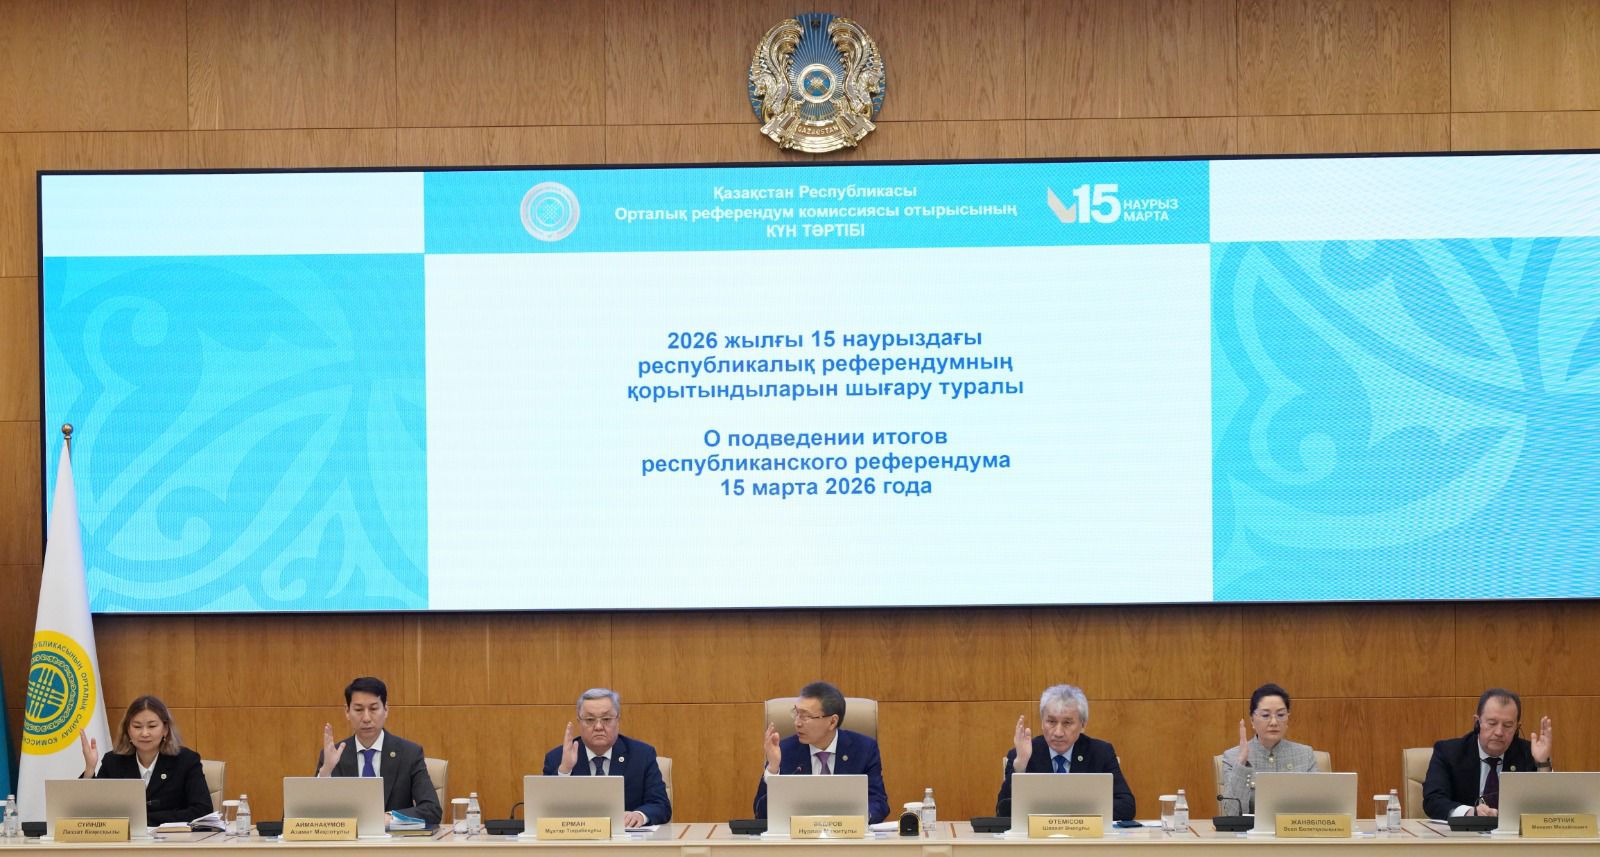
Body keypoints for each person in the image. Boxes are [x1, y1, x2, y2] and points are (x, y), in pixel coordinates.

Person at [753, 681, 888, 824]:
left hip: (848, 834)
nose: (797, 723)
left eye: (805, 716)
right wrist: (773, 768)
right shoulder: (784, 751)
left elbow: (878, 802)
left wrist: (858, 819)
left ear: (832, 722)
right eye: (797, 713)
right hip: (798, 836)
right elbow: (761, 814)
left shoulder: (864, 749)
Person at [996, 684, 1135, 820]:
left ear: (1083, 725)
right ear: (1042, 722)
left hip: (1085, 834)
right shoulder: (1022, 754)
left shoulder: (1100, 753)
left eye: (1067, 723)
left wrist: (1069, 815)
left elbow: (1127, 806)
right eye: (1051, 722)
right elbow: (1003, 813)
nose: (1058, 733)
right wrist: (1020, 768)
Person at [314, 676, 441, 824]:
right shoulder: (333, 756)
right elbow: (310, 815)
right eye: (359, 710)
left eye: (373, 709)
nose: (366, 718)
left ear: (386, 710)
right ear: (347, 711)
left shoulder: (409, 754)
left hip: (393, 838)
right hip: (348, 838)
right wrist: (325, 773)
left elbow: (432, 810)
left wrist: (389, 818)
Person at [542, 688, 671, 827]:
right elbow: (544, 811)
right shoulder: (557, 758)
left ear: (618, 719)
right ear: (579, 721)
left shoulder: (642, 755)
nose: (598, 727)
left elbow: (661, 805)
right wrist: (565, 770)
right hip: (576, 839)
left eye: (606, 719)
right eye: (590, 719)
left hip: (626, 839)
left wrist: (639, 815)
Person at [79, 695, 212, 824]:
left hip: (172, 838)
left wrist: (144, 820)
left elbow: (202, 811)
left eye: (152, 726)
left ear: (165, 729)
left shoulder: (186, 761)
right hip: (127, 839)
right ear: (128, 730)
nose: (144, 733)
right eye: (137, 727)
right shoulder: (113, 761)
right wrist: (90, 769)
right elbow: (91, 810)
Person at [1423, 688, 1553, 819]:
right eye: (1492, 723)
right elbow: (1433, 800)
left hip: (1512, 831)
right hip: (1465, 831)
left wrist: (1542, 764)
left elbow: (1547, 805)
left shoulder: (1529, 753)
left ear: (1517, 728)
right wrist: (1470, 813)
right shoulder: (1449, 752)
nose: (1499, 732)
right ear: (1477, 722)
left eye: (1508, 725)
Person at [1217, 683, 1319, 813]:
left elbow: (1319, 806)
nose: (1274, 722)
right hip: (1251, 827)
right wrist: (1241, 763)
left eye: (1281, 715)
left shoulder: (1305, 755)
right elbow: (1232, 813)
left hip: (1294, 826)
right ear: (1252, 720)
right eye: (1265, 715)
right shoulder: (1232, 757)